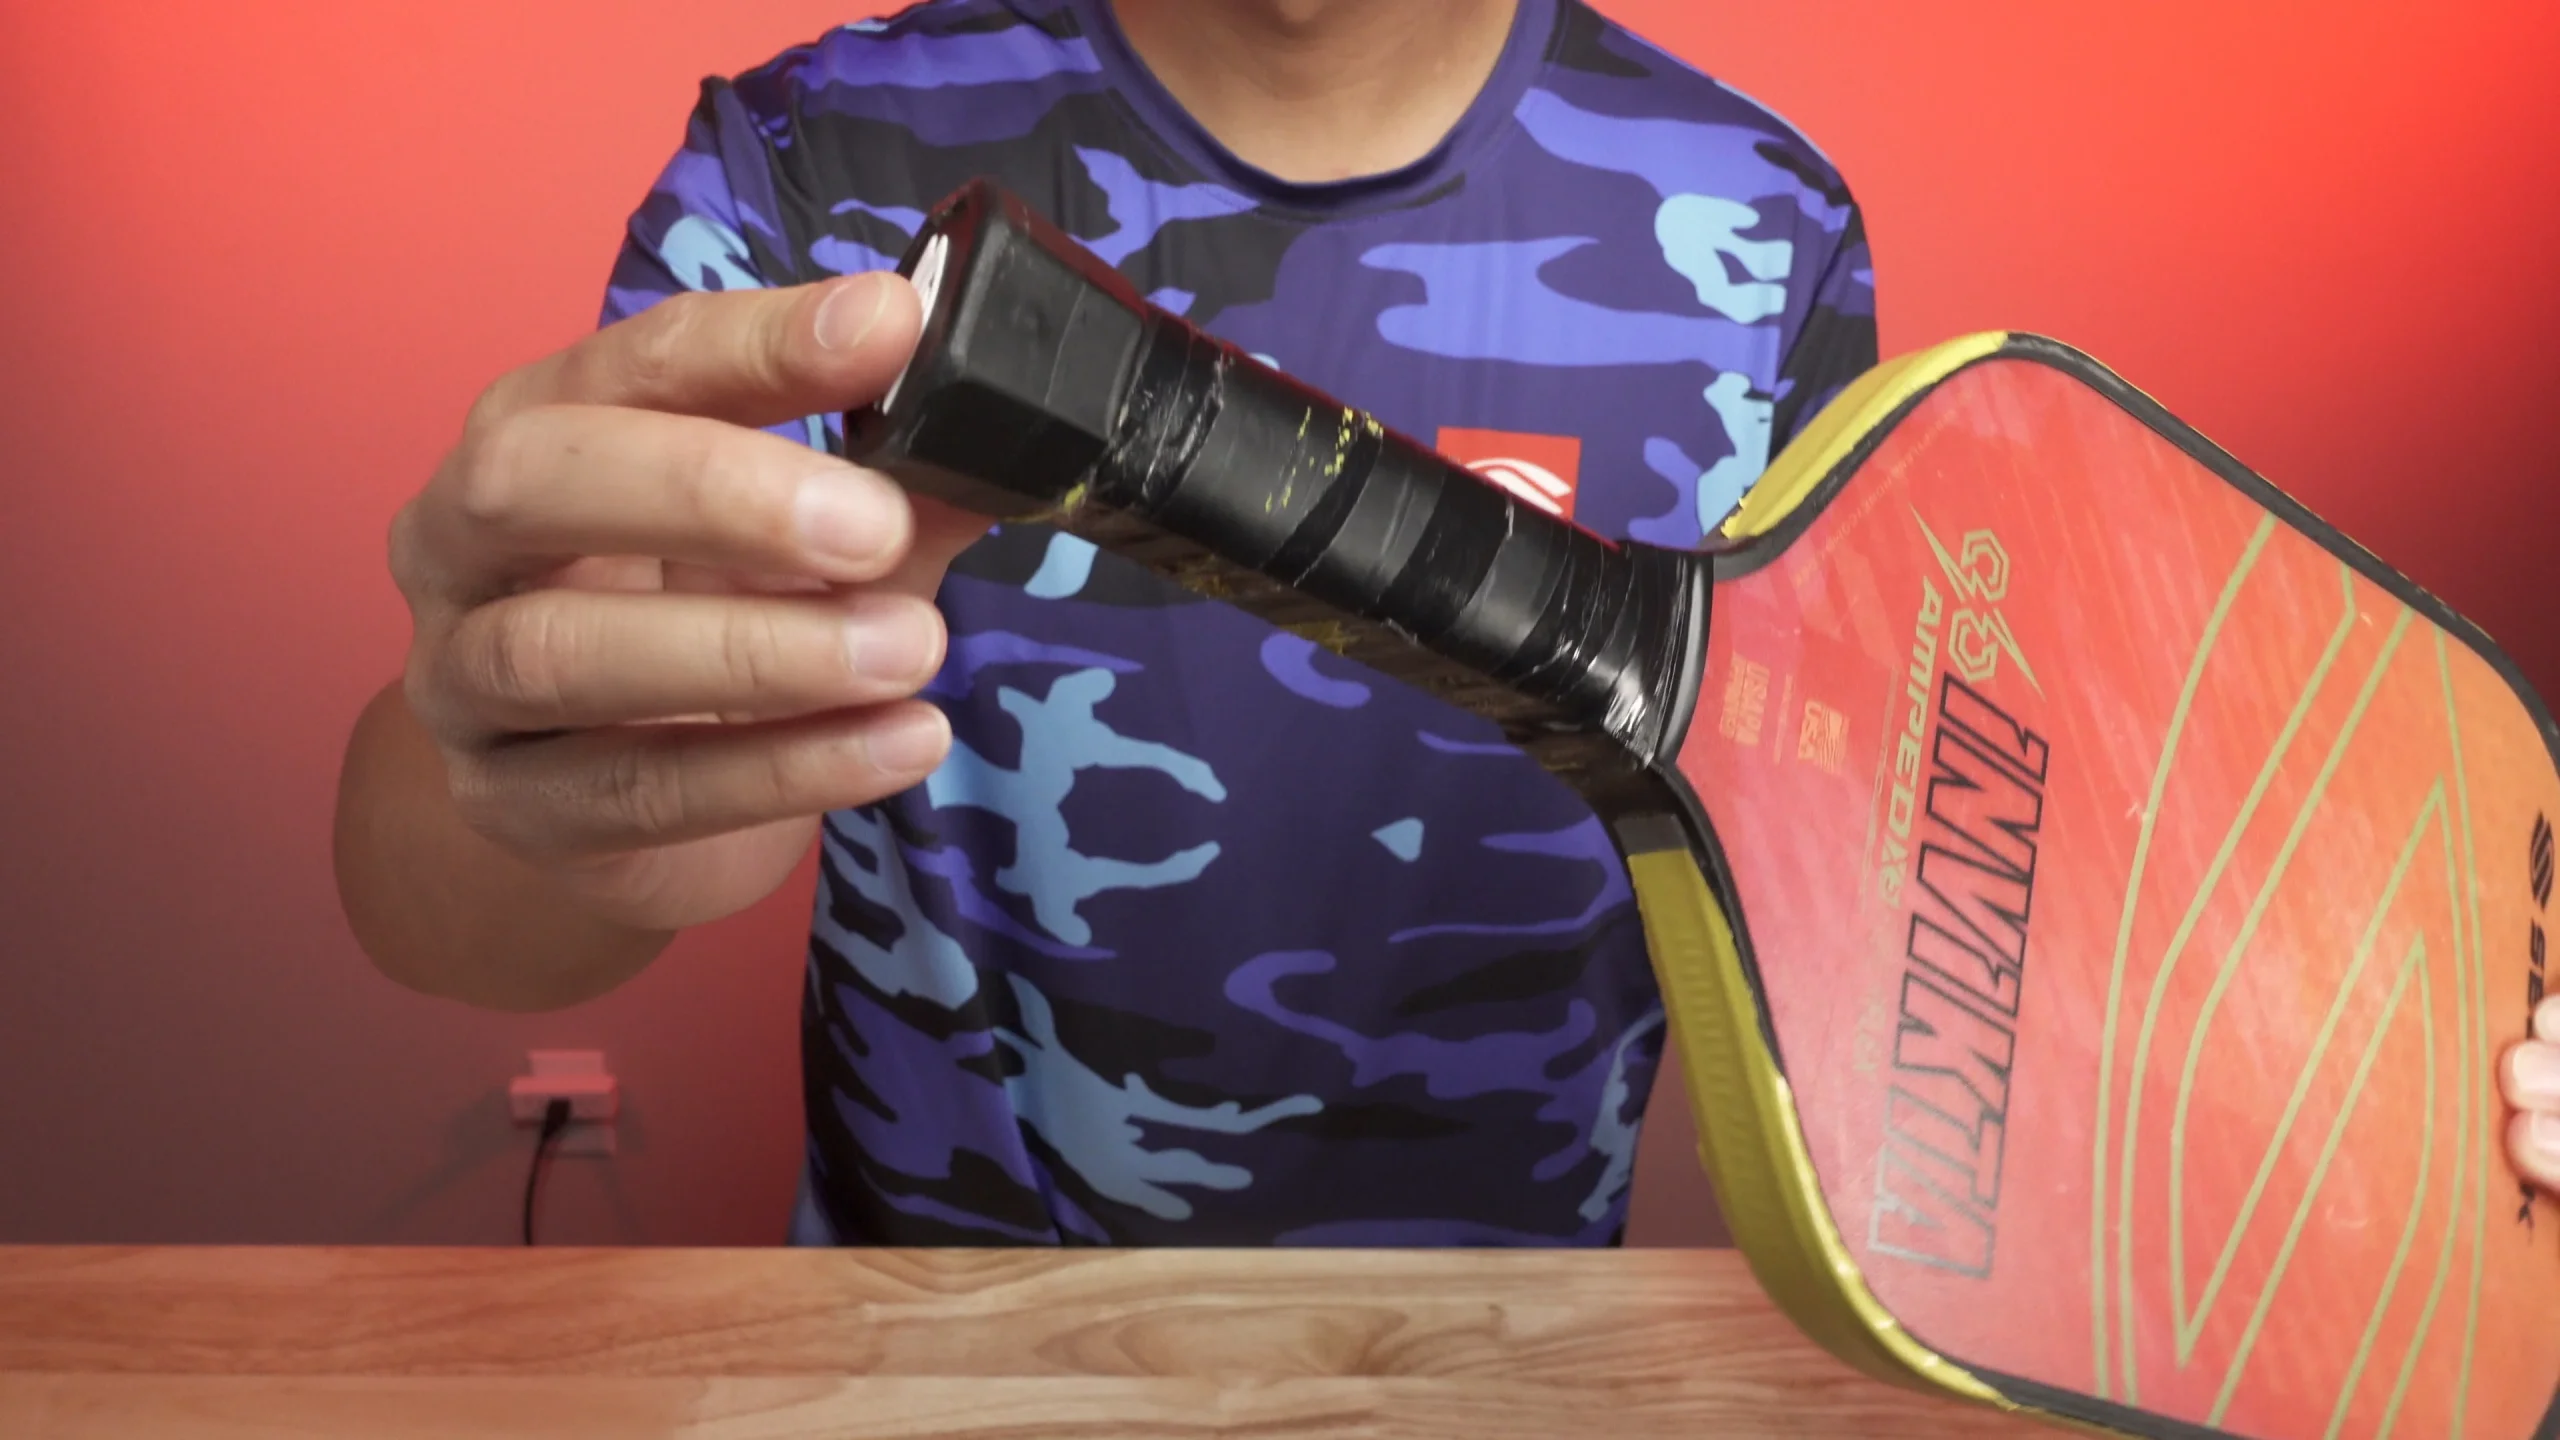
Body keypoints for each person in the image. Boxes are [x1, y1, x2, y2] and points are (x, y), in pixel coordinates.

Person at [332, 0, 2560, 1248]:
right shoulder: (811, 166)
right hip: (921, 1356)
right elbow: (440, 899)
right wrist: (563, 800)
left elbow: (1916, 888)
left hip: (1519, 1370)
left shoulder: (1758, 234)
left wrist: (2440, 1051)